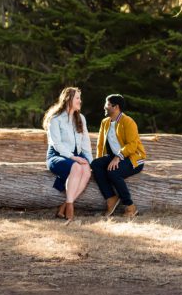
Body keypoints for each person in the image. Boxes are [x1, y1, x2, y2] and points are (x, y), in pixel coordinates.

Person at [91, 94, 146, 218]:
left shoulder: (128, 121)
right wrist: (100, 160)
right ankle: (111, 198)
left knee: (113, 172)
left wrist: (118, 157)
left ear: (116, 107)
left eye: (107, 104)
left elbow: (132, 145)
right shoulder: (105, 122)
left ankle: (130, 206)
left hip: (133, 158)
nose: (105, 107)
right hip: (115, 157)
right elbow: (100, 144)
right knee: (95, 164)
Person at [43, 87, 93, 221]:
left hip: (75, 156)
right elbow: (57, 144)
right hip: (57, 155)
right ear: (68, 99)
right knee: (76, 167)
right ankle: (70, 208)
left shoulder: (81, 118)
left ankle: (65, 204)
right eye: (77, 98)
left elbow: (85, 142)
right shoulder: (55, 119)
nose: (80, 101)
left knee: (87, 170)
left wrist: (89, 161)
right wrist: (73, 157)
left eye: (79, 98)